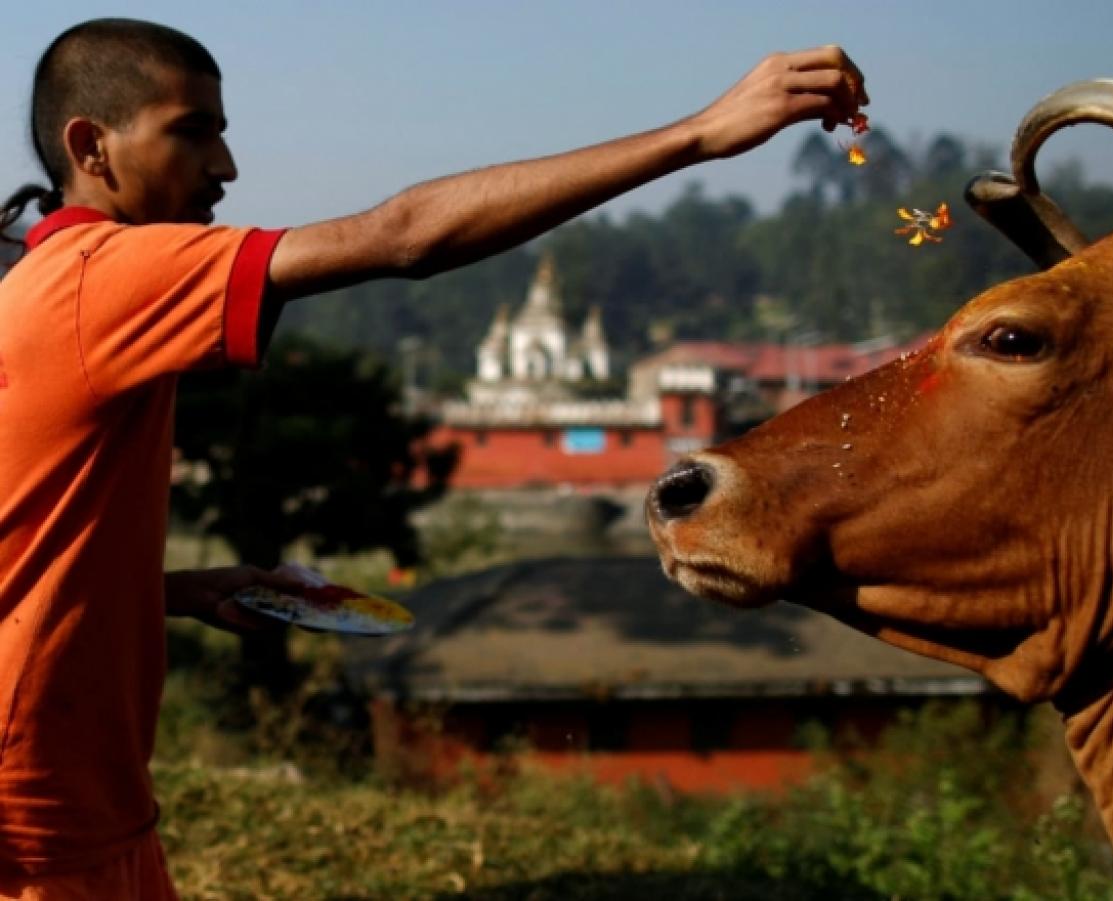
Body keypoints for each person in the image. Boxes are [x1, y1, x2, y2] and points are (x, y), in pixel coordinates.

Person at [0, 16, 868, 898]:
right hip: (44, 810)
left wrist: (175, 592)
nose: (225, 167)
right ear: (92, 147)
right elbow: (404, 234)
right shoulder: (103, 275)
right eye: (192, 131)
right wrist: (699, 134)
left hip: (87, 789)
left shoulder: (43, 282)